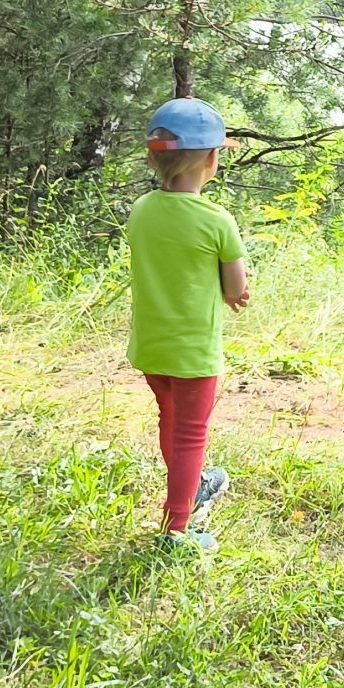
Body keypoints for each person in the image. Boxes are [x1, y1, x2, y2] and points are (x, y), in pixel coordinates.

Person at [126, 96, 252, 553]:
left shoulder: (141, 209)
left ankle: (192, 482)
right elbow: (235, 286)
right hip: (194, 355)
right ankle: (176, 531)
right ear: (212, 159)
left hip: (151, 349)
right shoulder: (217, 220)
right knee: (190, 434)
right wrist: (235, 291)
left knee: (171, 420)